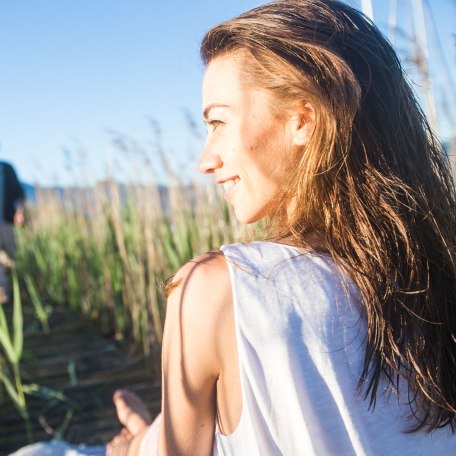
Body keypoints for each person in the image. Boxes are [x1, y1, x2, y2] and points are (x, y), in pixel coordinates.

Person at [107, 0, 456, 454]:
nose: (205, 159)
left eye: (218, 122)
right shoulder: (435, 279)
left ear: (302, 119)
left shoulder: (219, 290)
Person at [0, 160, 25, 303]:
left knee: (10, 258)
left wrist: (20, 211)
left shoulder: (6, 169)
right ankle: (3, 297)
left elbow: (19, 193)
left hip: (7, 222)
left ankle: (9, 294)